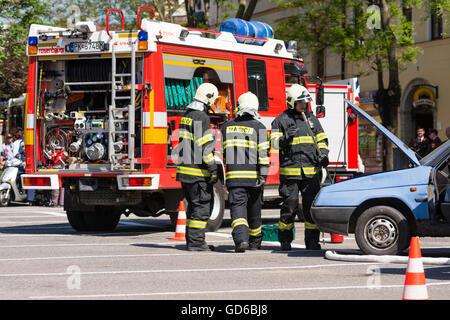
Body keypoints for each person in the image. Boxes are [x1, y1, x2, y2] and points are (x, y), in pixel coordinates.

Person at [271, 84, 329, 250]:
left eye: (305, 102)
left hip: (311, 172)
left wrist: (324, 155)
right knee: (290, 206)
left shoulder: (312, 119)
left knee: (310, 208)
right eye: (300, 102)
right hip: (290, 174)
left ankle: (312, 242)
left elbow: (322, 140)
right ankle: (285, 241)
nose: (304, 105)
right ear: (291, 102)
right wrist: (284, 139)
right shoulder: (281, 120)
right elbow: (274, 143)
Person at [221, 92, 270, 253]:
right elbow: (263, 154)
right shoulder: (260, 127)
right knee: (255, 211)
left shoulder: (226, 127)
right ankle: (255, 243)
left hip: (234, 178)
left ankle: (241, 240)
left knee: (238, 210)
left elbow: (221, 152)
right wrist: (263, 175)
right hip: (254, 179)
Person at [176, 83, 219, 251]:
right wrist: (212, 167)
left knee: (193, 208)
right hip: (197, 172)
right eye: (214, 100)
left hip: (185, 172)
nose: (214, 104)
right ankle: (197, 243)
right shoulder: (202, 117)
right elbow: (205, 147)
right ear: (208, 98)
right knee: (201, 207)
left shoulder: (186, 115)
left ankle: (192, 241)